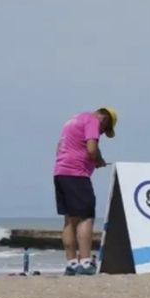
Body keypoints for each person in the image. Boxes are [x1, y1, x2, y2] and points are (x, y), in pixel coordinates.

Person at [53, 107, 117, 276]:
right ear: (104, 119)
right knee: (86, 217)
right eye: (104, 130)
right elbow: (91, 149)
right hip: (77, 174)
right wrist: (98, 160)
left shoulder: (73, 119)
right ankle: (86, 261)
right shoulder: (92, 120)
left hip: (60, 171)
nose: (101, 133)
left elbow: (59, 147)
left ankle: (71, 263)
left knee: (69, 219)